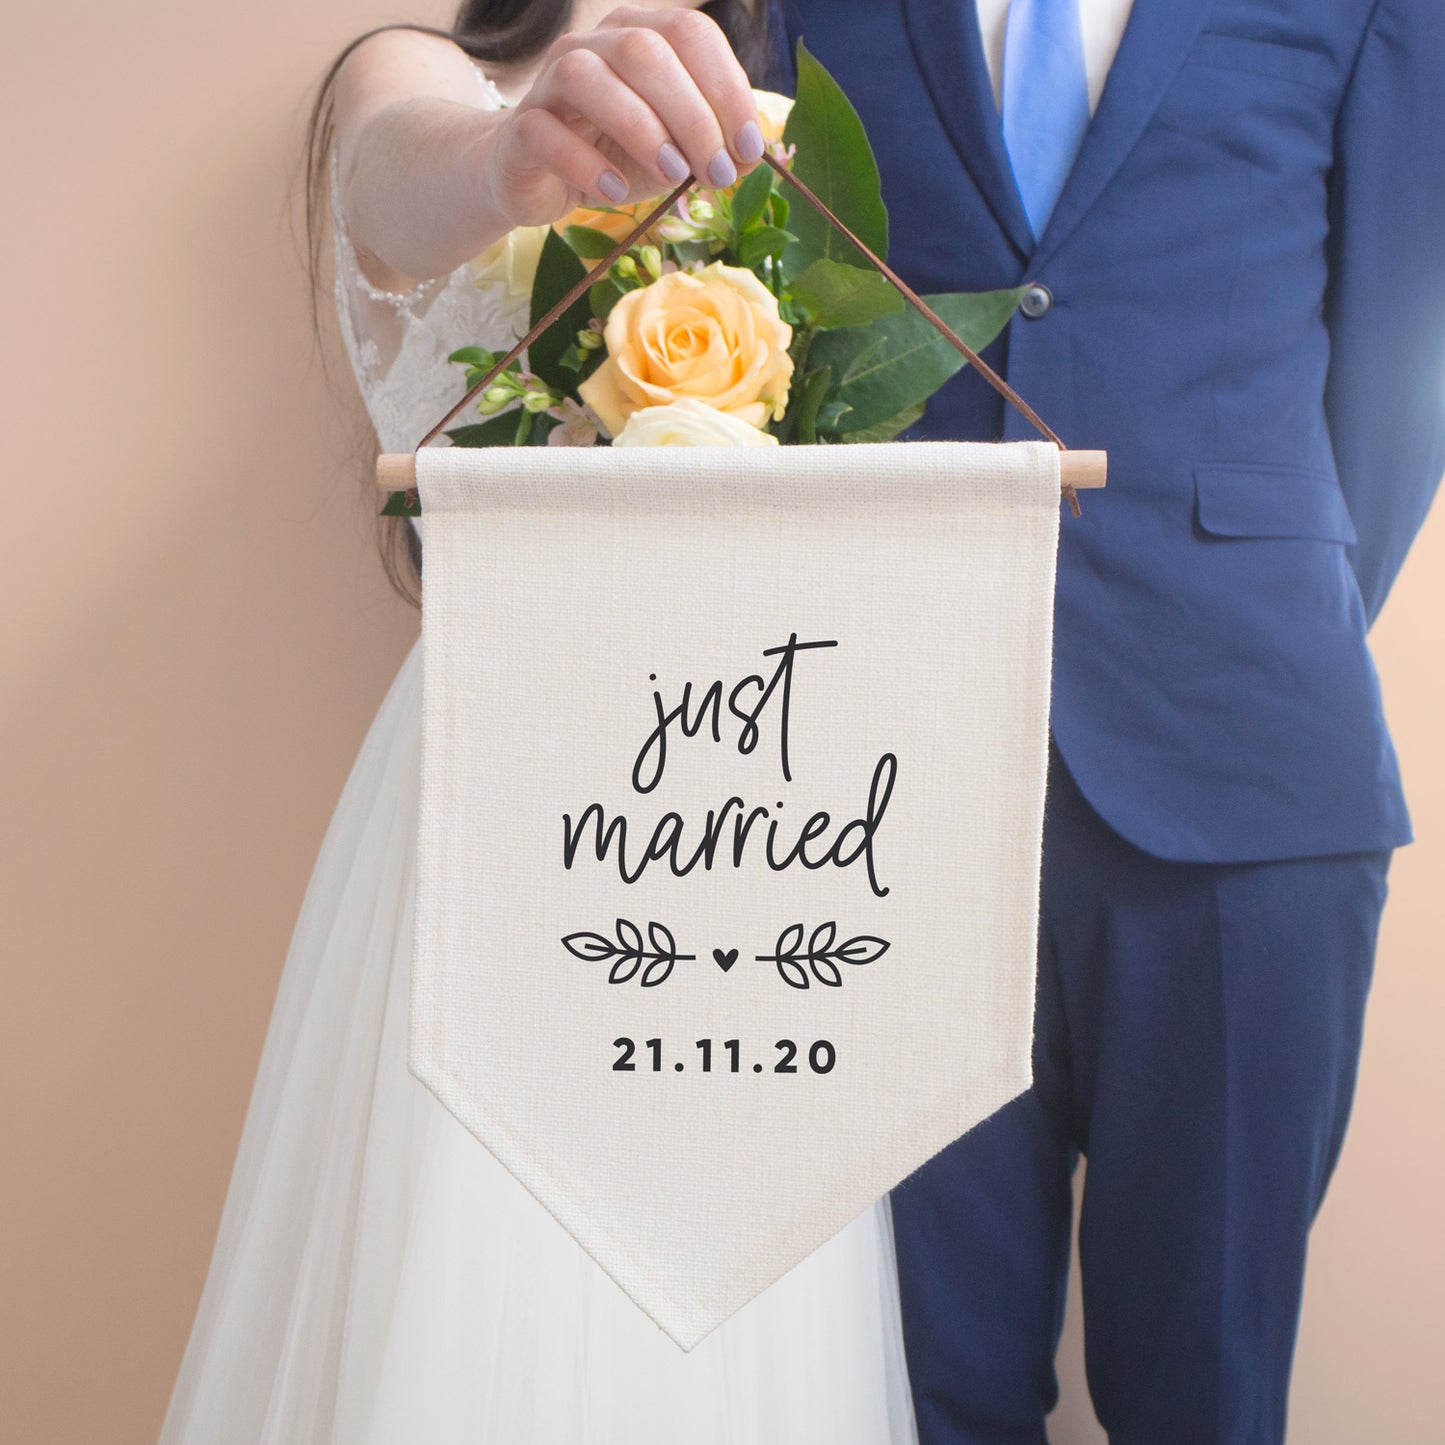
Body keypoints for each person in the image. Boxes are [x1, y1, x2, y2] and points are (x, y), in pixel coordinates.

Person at [155, 5, 920, 1442]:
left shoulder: (811, 74)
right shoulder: (425, 73)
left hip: (745, 817)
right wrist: (518, 159)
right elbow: (407, 166)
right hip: (506, 793)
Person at [773, 1, 1445, 1442]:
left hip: (1241, 767)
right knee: (912, 1392)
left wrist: (1254, 589)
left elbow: (1399, 372)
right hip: (877, 783)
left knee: (1201, 1390)